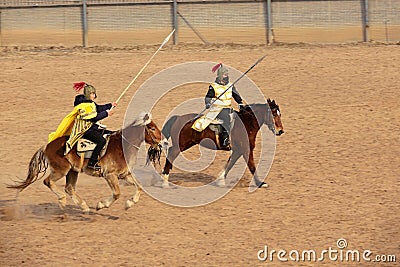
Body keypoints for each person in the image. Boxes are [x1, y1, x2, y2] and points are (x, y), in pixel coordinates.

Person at [72, 82, 117, 170]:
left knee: (112, 134)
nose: (94, 95)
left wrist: (110, 105)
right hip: (85, 130)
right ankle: (92, 162)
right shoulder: (85, 106)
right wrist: (106, 113)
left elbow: (98, 108)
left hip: (92, 128)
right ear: (88, 94)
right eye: (92, 94)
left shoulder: (90, 103)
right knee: (102, 141)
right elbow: (93, 118)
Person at [205, 63, 244, 147]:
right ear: (220, 75)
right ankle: (225, 139)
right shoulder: (213, 86)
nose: (226, 76)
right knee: (226, 118)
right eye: (224, 74)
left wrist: (240, 103)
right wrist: (208, 103)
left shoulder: (230, 85)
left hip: (228, 108)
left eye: (227, 74)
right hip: (217, 109)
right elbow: (208, 97)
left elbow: (236, 95)